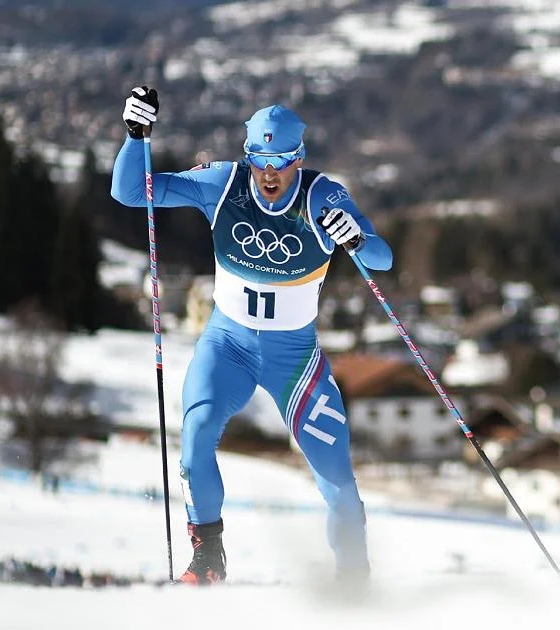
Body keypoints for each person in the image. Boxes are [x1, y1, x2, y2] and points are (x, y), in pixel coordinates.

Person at [111, 85, 393, 585]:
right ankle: (208, 556)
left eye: (281, 161)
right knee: (196, 436)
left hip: (294, 358)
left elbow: (382, 258)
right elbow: (132, 192)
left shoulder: (321, 196)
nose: (269, 173)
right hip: (228, 346)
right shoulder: (224, 183)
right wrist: (136, 137)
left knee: (336, 477)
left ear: (298, 158)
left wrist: (356, 238)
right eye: (260, 160)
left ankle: (354, 577)